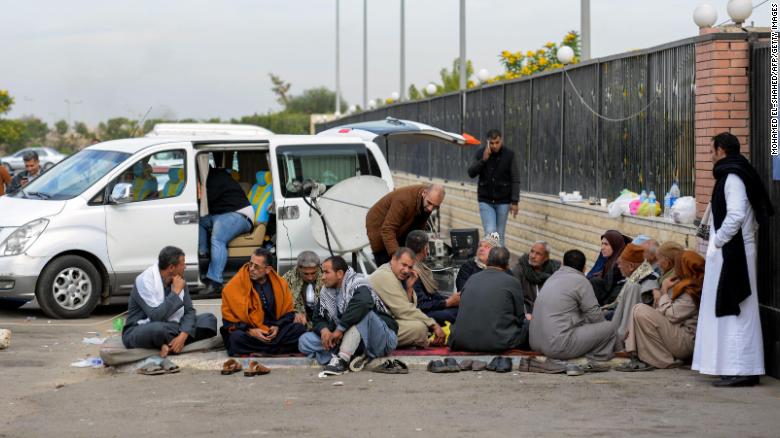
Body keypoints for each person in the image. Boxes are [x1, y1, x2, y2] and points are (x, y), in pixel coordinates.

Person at [693, 132, 775, 387]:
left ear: (721, 150)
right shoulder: (734, 173)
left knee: (736, 306)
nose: (710, 154)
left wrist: (718, 241)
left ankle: (744, 369)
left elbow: (737, 214)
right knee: (729, 306)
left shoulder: (732, 176)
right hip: (733, 250)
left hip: (733, 251)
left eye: (712, 149)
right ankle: (734, 366)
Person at [298, 256, 399, 375]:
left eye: (326, 272)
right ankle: (355, 354)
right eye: (322, 272)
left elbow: (363, 304)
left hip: (379, 340)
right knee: (304, 340)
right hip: (349, 338)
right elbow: (317, 318)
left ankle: (342, 360)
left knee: (362, 313)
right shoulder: (326, 291)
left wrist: (339, 330)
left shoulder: (358, 283)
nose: (323, 277)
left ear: (340, 274)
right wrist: (324, 331)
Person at [122, 246, 218, 357]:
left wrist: (183, 335)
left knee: (209, 320)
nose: (185, 267)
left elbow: (189, 311)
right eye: (182, 264)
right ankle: (168, 344)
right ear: (171, 267)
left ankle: (168, 344)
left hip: (172, 327)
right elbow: (156, 316)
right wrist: (175, 293)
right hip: (142, 329)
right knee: (157, 329)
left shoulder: (179, 279)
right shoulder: (144, 281)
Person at [620, 250, 704, 371]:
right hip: (678, 334)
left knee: (640, 310)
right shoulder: (684, 284)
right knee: (639, 310)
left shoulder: (693, 290)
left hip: (686, 341)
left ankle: (664, 360)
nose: (676, 269)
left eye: (678, 265)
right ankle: (634, 353)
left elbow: (672, 315)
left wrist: (664, 291)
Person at [529, 249, 615, 362]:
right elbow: (596, 317)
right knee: (609, 328)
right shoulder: (581, 281)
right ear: (584, 269)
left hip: (534, 342)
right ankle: (596, 360)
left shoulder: (552, 277)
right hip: (557, 346)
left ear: (563, 264)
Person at [220, 248, 306, 356]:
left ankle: (263, 350)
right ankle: (276, 349)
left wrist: (277, 326)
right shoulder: (234, 286)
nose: (251, 269)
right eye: (250, 264)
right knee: (236, 338)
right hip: (251, 332)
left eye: (256, 267)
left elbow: (288, 313)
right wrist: (250, 331)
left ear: (268, 269)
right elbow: (228, 321)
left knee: (299, 329)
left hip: (275, 332)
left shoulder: (280, 284)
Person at [449, 247, 527, 352]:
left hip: (460, 340)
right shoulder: (512, 282)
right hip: (497, 341)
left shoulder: (472, 278)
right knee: (529, 325)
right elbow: (520, 317)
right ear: (507, 265)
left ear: (487, 261)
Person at [368, 247, 447, 348]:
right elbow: (404, 311)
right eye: (404, 265)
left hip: (385, 322)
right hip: (372, 329)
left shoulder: (395, 275)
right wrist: (434, 325)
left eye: (410, 267)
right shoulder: (385, 276)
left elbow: (407, 310)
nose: (406, 271)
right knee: (420, 328)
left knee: (419, 325)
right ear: (393, 259)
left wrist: (409, 288)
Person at [199, 164, 255, 294]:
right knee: (200, 221)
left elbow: (206, 201)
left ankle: (215, 282)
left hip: (240, 214)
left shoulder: (215, 178)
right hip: (222, 214)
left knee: (218, 238)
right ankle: (203, 253)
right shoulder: (208, 177)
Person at [365, 184, 445, 266]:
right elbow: (387, 230)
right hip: (378, 225)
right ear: (424, 193)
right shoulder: (403, 200)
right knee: (389, 263)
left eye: (435, 206)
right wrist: (397, 256)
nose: (430, 209)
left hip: (400, 226)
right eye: (429, 203)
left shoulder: (428, 200)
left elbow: (419, 227)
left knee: (407, 262)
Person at [467, 129, 520, 246]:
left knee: (499, 235)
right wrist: (483, 160)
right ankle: (492, 259)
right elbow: (471, 173)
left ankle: (498, 261)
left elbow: (515, 179)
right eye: (492, 143)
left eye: (497, 142)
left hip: (503, 201)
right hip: (486, 200)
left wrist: (514, 201)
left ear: (501, 140)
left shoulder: (509, 155)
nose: (495, 145)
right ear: (487, 142)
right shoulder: (480, 154)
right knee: (491, 233)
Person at [606, 243, 659, 351]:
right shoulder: (636, 277)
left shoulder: (640, 283)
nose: (619, 266)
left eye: (621, 263)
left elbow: (627, 323)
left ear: (631, 266)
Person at [404, 230, 459, 326]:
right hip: (419, 313)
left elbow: (432, 295)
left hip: (427, 307)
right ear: (425, 249)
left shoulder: (419, 266)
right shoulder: (413, 271)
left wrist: (451, 299)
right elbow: (421, 305)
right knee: (453, 313)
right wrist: (447, 302)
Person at [511, 241, 561, 312]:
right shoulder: (520, 269)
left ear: (546, 257)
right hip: (525, 312)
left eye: (538, 254)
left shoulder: (553, 271)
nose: (533, 256)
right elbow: (514, 296)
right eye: (532, 251)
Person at [281, 251, 324, 327]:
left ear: (318, 267)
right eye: (306, 274)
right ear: (298, 268)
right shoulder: (287, 280)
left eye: (313, 273)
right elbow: (281, 304)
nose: (310, 277)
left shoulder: (326, 276)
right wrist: (294, 314)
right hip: (299, 321)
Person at [589, 230, 631, 306]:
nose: (602, 248)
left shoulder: (618, 266)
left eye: (606, 244)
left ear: (615, 245)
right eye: (602, 244)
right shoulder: (610, 261)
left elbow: (607, 292)